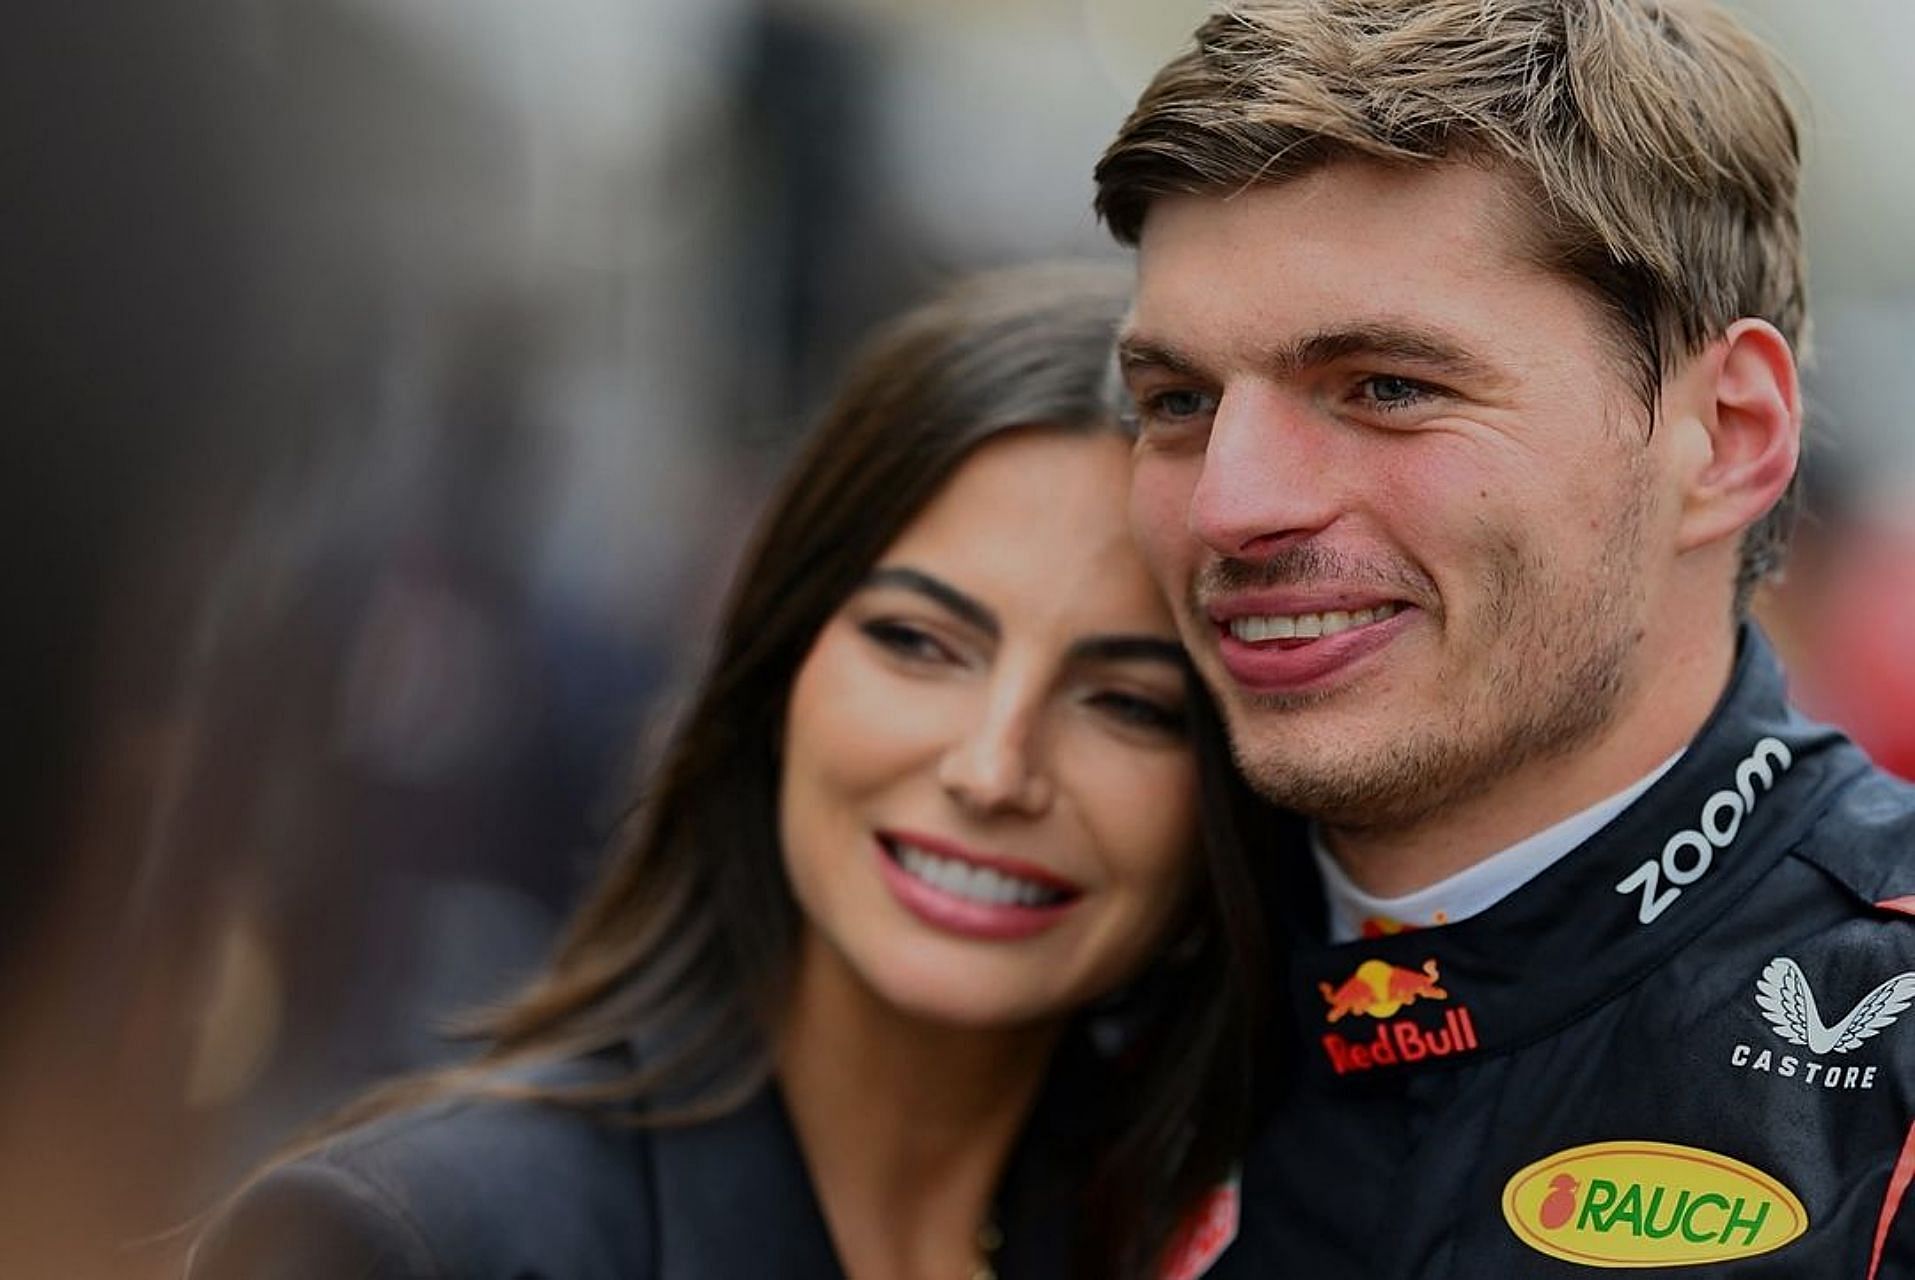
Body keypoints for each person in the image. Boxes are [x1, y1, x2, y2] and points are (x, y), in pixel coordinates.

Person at [185, 264, 1274, 1280]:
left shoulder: (1223, 1243)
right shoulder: (412, 1241)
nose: (993, 768)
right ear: (774, 671)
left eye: (1129, 704)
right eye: (916, 642)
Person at [1095, 1, 1915, 1275]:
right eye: (1178, 400)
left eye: (1388, 386)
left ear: (1729, 435)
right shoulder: (1076, 972)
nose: (1230, 504)